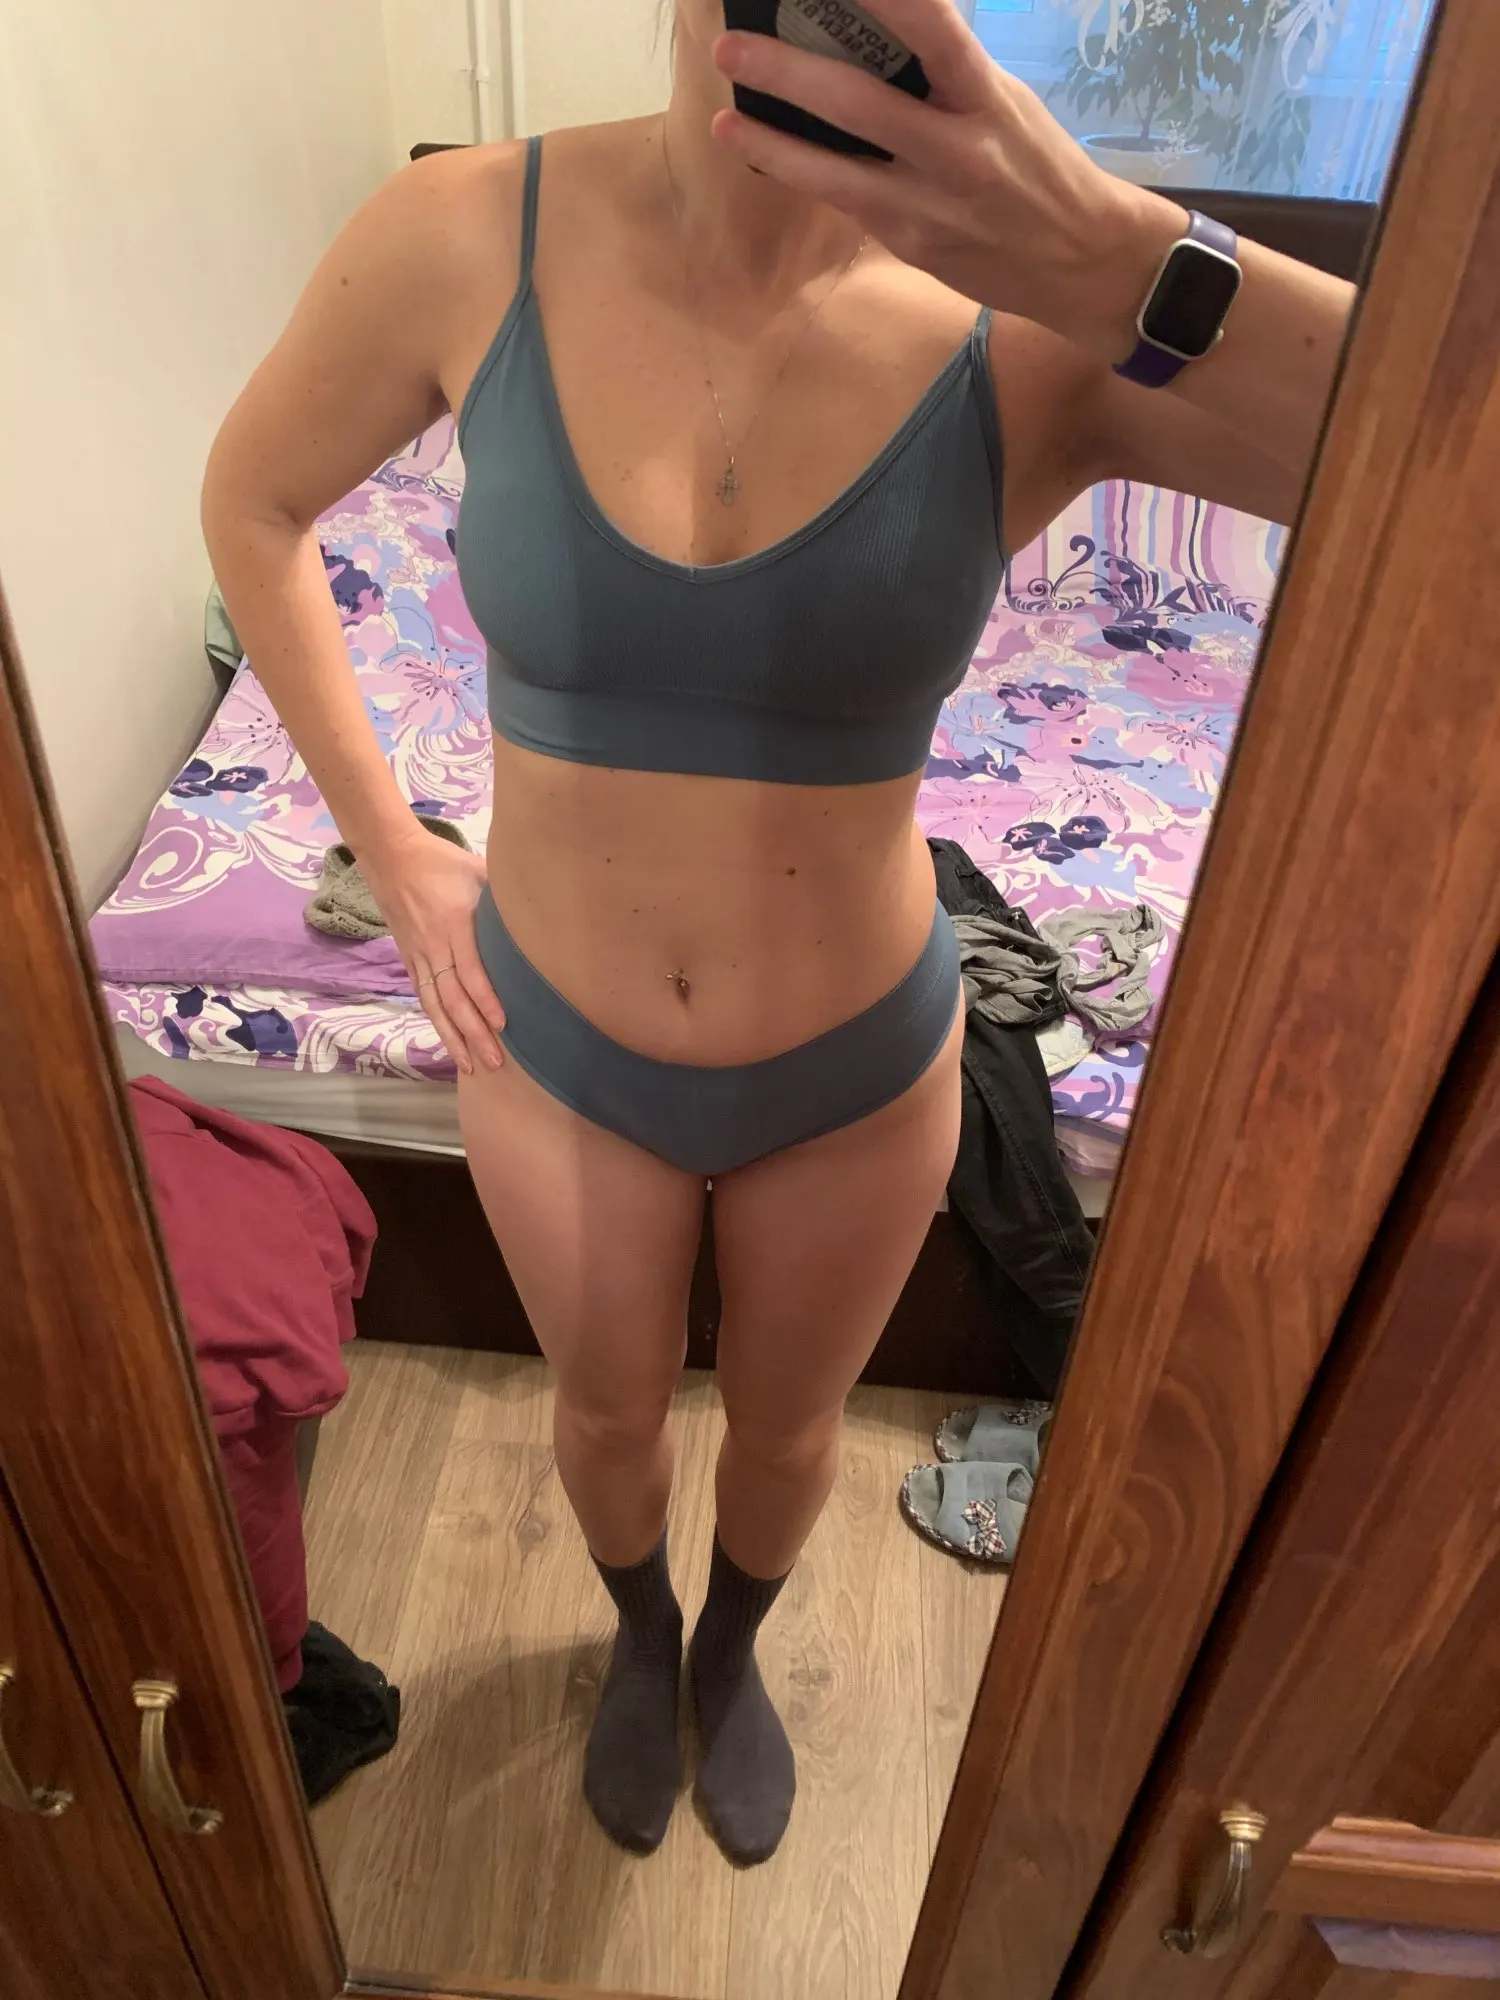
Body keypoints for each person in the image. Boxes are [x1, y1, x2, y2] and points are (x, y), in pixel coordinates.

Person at [202, 0, 1353, 1865]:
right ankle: (641, 1634)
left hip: (855, 1063)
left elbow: (1447, 453)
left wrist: (1116, 247)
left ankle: (733, 1650)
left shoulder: (1044, 323)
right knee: (604, 1421)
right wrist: (393, 846)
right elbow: (251, 499)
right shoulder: (459, 233)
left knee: (793, 1431)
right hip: (553, 1041)